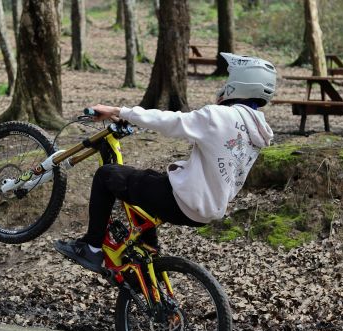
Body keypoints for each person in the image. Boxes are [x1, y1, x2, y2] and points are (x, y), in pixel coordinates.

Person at [54, 53, 277, 273]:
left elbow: (169, 121)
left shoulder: (220, 117)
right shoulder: (257, 130)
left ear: (239, 83)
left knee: (106, 175)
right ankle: (148, 258)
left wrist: (118, 111)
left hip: (183, 201)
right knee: (147, 182)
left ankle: (91, 248)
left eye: (229, 80)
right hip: (209, 209)